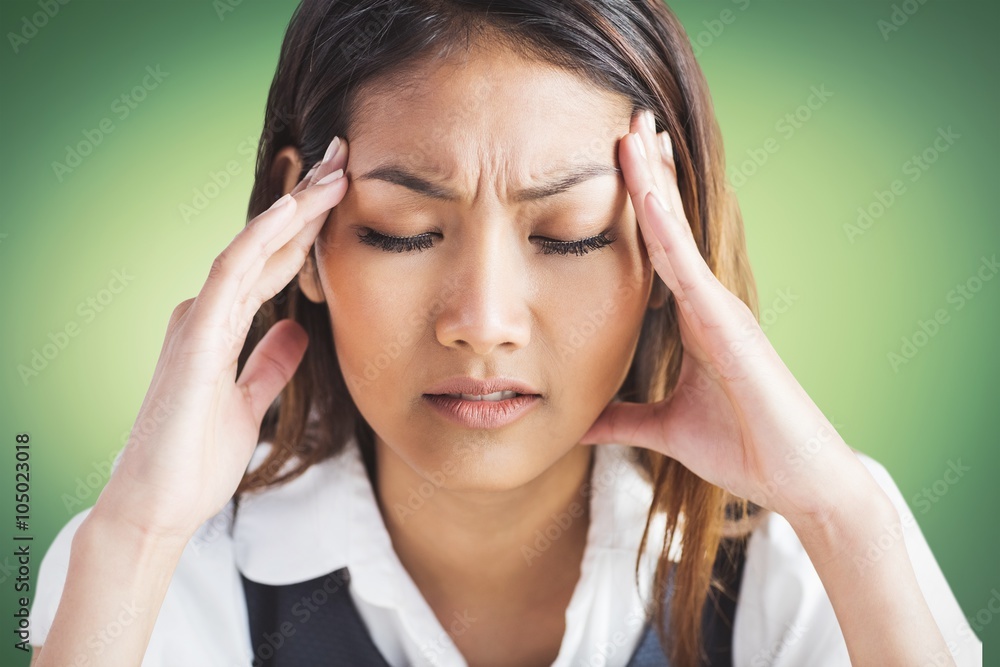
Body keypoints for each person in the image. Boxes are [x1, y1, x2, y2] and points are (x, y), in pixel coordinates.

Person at [27, 1, 983, 666]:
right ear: (303, 239)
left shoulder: (805, 553)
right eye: (405, 232)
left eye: (567, 237)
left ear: (664, 248)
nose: (482, 323)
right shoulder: (155, 564)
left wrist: (845, 523)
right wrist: (137, 536)